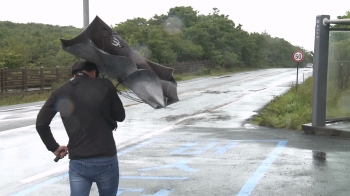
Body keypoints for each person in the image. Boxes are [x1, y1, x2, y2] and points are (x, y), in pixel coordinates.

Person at [36, 60, 125, 196]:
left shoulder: (61, 91)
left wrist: (53, 147)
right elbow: (120, 116)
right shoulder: (105, 85)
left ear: (74, 75)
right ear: (94, 72)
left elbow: (41, 124)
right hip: (105, 158)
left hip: (78, 160)